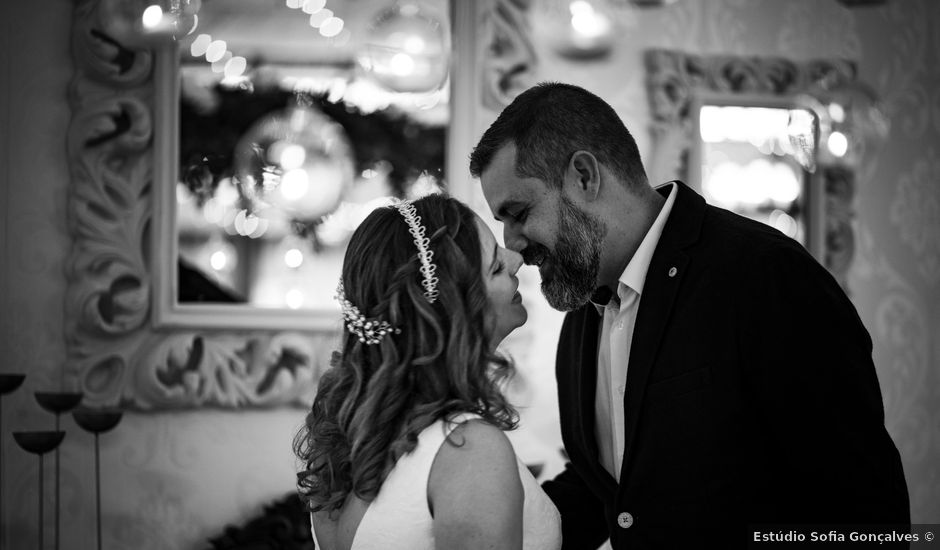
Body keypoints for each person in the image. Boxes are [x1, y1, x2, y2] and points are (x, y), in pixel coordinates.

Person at [470, 82, 910, 548]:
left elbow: (867, 513)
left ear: (584, 175)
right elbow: (606, 486)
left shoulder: (764, 276)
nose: (512, 243)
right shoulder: (584, 312)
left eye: (518, 213)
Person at [294, 194, 562, 550]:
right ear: (454, 311)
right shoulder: (468, 449)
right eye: (496, 267)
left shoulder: (346, 448)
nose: (516, 261)